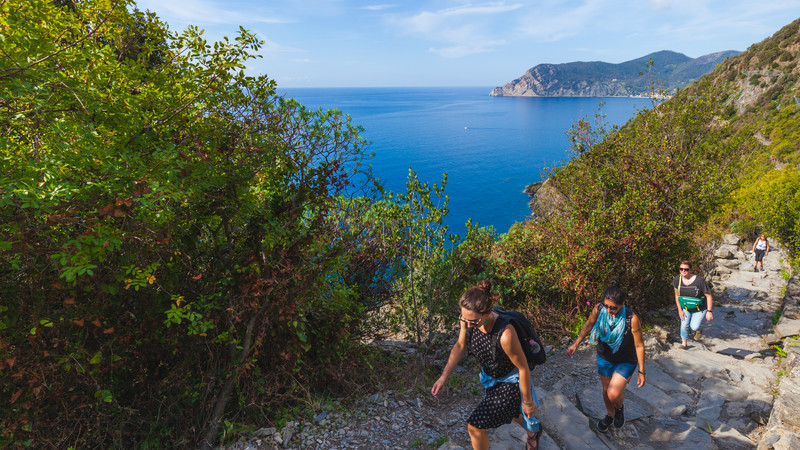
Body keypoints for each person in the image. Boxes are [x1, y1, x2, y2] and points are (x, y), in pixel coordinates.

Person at [431, 281, 542, 450]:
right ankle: (534, 431)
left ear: (487, 313)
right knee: (511, 412)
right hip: (491, 378)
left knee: (475, 426)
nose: (469, 326)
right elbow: (460, 345)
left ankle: (532, 431)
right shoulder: (468, 318)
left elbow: (522, 367)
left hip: (510, 382)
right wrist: (443, 377)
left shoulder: (505, 334)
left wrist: (528, 401)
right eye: (465, 320)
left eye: (474, 322)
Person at [566, 281, 645, 433]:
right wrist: (576, 343)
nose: (609, 310)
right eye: (607, 305)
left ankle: (619, 409)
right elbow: (589, 324)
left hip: (625, 360)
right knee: (605, 391)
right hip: (605, 357)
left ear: (622, 304)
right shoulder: (599, 309)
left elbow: (639, 345)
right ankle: (610, 415)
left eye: (613, 307)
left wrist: (642, 371)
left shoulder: (632, 318)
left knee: (613, 393)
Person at [672, 260, 713, 348]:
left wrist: (709, 311)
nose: (683, 271)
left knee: (694, 326)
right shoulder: (677, 280)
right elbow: (677, 295)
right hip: (686, 307)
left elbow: (709, 296)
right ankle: (684, 343)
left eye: (686, 269)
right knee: (684, 326)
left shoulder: (699, 281)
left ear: (690, 270)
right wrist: (679, 310)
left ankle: (699, 330)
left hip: (700, 308)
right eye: (681, 269)